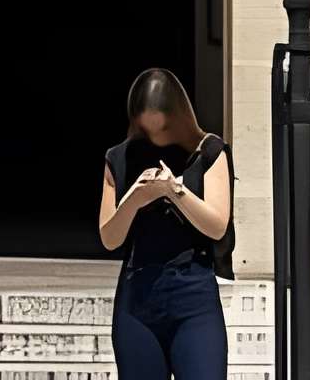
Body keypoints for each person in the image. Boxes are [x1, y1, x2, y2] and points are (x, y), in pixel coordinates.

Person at [99, 68, 232, 380]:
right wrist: (133, 199)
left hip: (194, 295)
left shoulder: (209, 152)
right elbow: (109, 238)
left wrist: (175, 191)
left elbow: (217, 225)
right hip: (138, 296)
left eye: (163, 130)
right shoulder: (119, 158)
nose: (156, 139)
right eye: (147, 130)